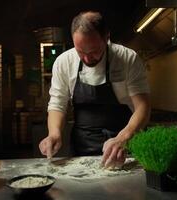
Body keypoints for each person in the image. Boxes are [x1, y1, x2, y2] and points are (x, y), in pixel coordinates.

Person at [39, 11, 151, 168]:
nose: (86, 58)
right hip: (82, 146)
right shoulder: (64, 62)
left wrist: (123, 138)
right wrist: (54, 133)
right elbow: (57, 103)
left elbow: (143, 107)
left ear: (106, 38)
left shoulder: (127, 58)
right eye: (80, 52)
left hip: (125, 145)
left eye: (93, 52)